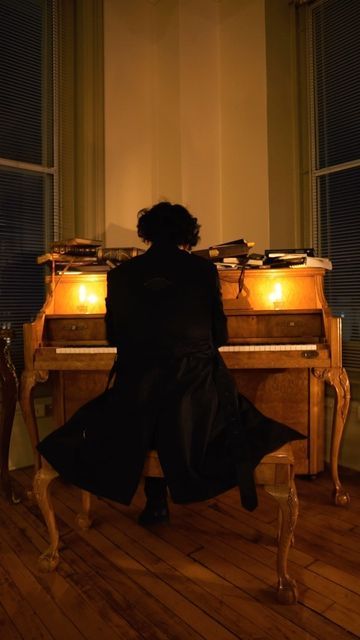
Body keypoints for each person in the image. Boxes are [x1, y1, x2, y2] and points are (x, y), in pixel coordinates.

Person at [37, 201, 305, 525]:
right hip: (194, 401)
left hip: (136, 398)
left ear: (146, 234)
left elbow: (113, 337)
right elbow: (219, 336)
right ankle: (187, 482)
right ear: (187, 235)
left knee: (140, 402)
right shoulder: (204, 270)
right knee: (207, 406)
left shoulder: (120, 274)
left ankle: (156, 502)